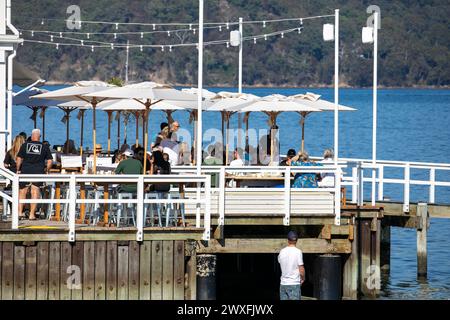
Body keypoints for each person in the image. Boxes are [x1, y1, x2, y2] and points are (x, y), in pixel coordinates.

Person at [16, 129, 53, 220]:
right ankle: (32, 215)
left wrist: (18, 169)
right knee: (35, 192)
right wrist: (47, 170)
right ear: (39, 137)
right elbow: (50, 161)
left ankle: (20, 213)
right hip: (38, 171)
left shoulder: (25, 145)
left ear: (32, 136)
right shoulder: (44, 147)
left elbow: (19, 159)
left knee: (22, 191)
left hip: (25, 171)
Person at [278, 231, 305, 300]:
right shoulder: (298, 252)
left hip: (283, 284)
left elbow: (280, 262)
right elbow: (301, 268)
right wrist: (303, 278)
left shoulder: (282, 251)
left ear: (288, 240)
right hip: (294, 283)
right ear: (296, 241)